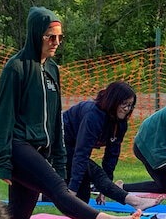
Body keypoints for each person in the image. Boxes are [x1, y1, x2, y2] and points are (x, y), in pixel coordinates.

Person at [0, 6, 140, 219]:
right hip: (16, 145)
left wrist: (59, 160)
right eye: (51, 37)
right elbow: (3, 116)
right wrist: (2, 162)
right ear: (36, 34)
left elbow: (56, 120)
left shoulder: (52, 68)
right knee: (58, 188)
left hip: (40, 148)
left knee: (17, 216)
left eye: (60, 37)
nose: (56, 42)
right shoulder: (16, 68)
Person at [63, 81, 160, 210]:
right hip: (59, 143)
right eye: (124, 104)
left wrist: (104, 189)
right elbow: (81, 154)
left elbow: (111, 156)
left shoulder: (120, 124)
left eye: (130, 105)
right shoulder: (93, 116)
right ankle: (134, 201)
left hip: (74, 147)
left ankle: (47, 196)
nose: (127, 109)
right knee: (92, 172)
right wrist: (73, 188)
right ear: (113, 100)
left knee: (82, 200)